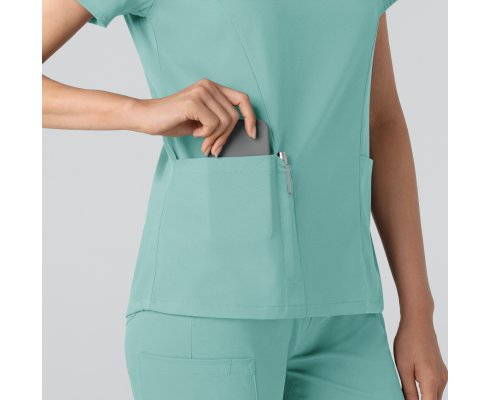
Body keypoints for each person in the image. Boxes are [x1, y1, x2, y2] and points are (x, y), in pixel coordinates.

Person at [43, 0, 448, 399]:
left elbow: (381, 121)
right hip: (210, 308)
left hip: (347, 311)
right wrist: (140, 113)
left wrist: (418, 312)